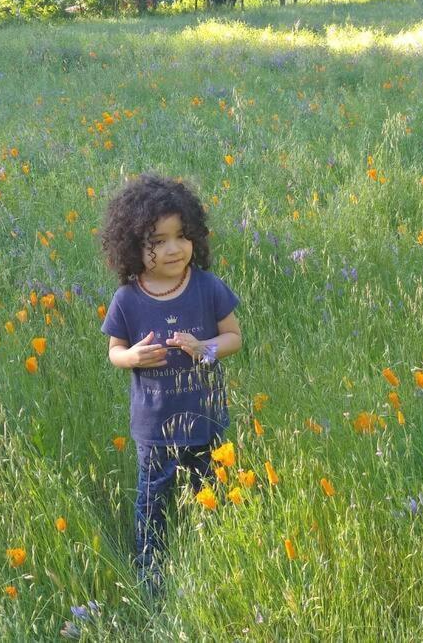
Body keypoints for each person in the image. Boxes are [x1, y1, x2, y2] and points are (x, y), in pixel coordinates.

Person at [99, 173, 243, 593]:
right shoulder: (128, 298)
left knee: (212, 496)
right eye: (157, 240)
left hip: (206, 419)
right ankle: (151, 578)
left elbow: (233, 338)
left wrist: (205, 349)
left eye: (181, 236)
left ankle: (217, 565)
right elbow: (114, 351)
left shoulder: (206, 287)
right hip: (154, 429)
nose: (173, 248)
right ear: (132, 246)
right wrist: (133, 358)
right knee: (152, 504)